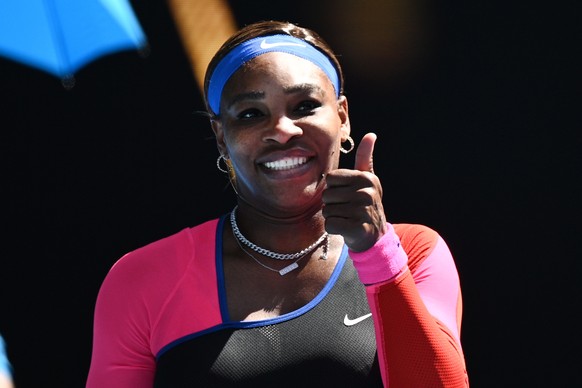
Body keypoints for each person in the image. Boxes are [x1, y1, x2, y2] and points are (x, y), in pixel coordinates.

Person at [87, 20, 468, 387]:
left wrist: (377, 255)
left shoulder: (415, 252)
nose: (283, 131)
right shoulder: (142, 279)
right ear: (220, 137)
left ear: (342, 117)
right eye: (252, 114)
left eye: (304, 105)